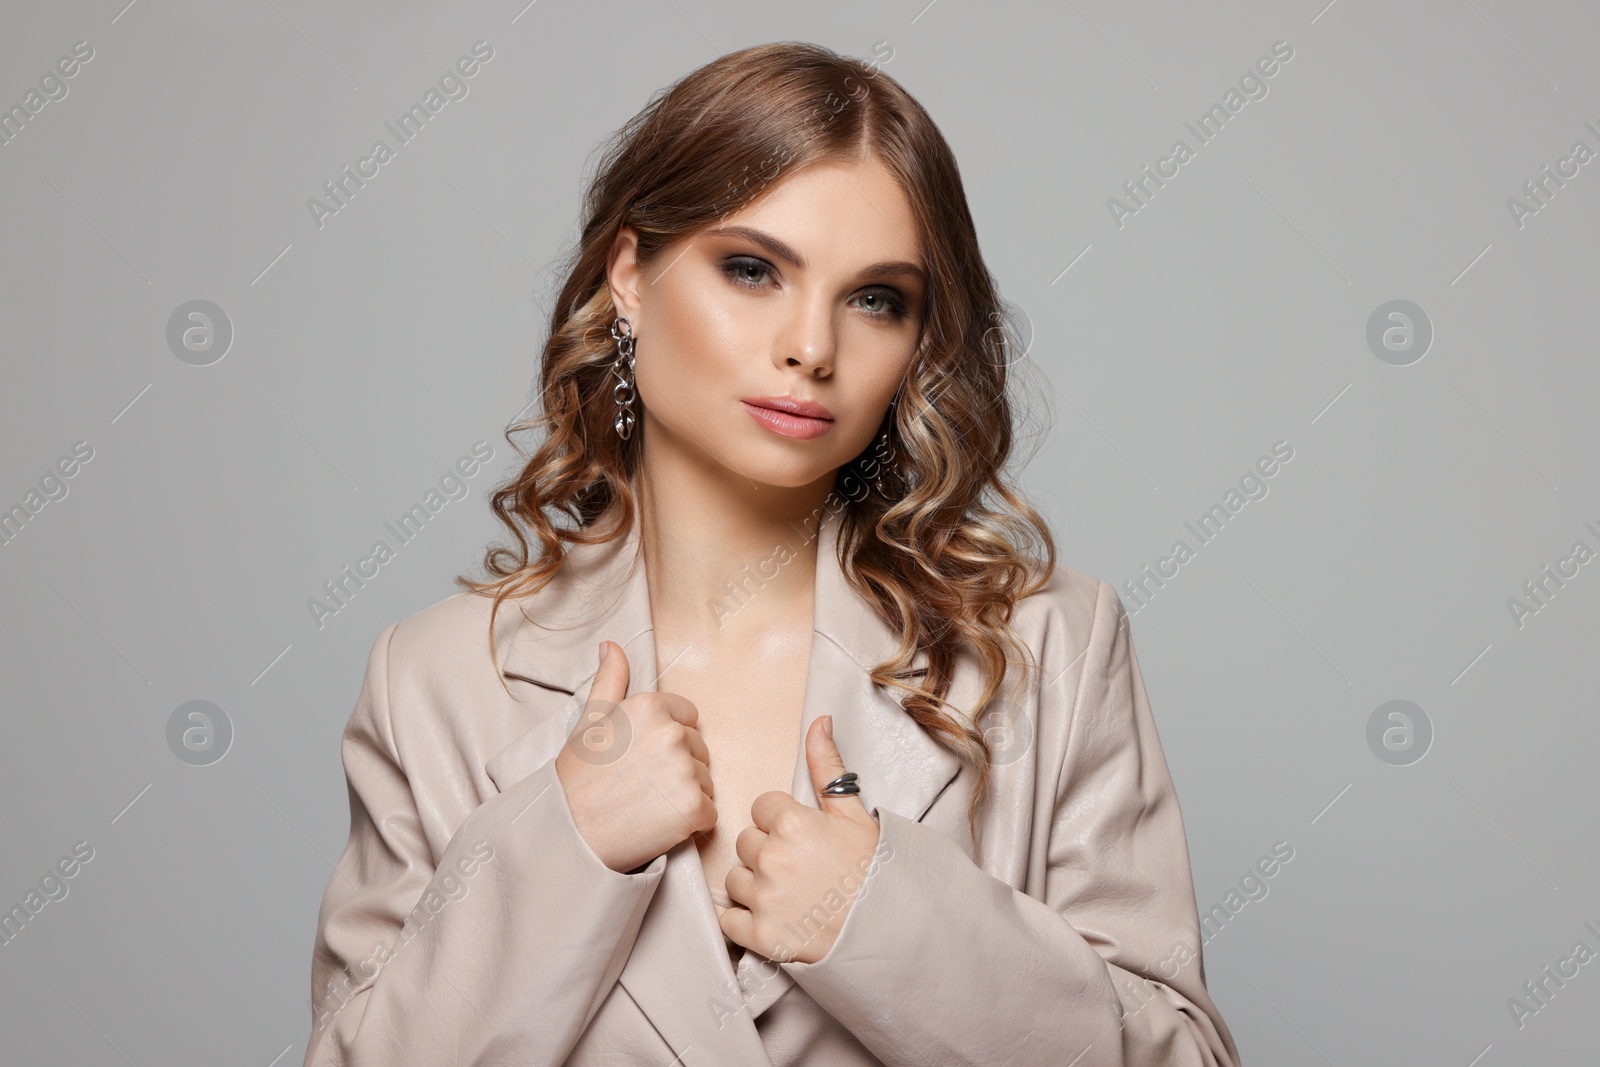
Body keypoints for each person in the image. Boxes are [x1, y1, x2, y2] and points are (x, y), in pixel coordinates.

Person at [300, 40, 1242, 1067]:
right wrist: (558, 851)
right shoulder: (436, 679)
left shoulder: (1048, 646)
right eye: (751, 269)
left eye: (876, 297)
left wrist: (890, 925)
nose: (811, 346)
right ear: (629, 275)